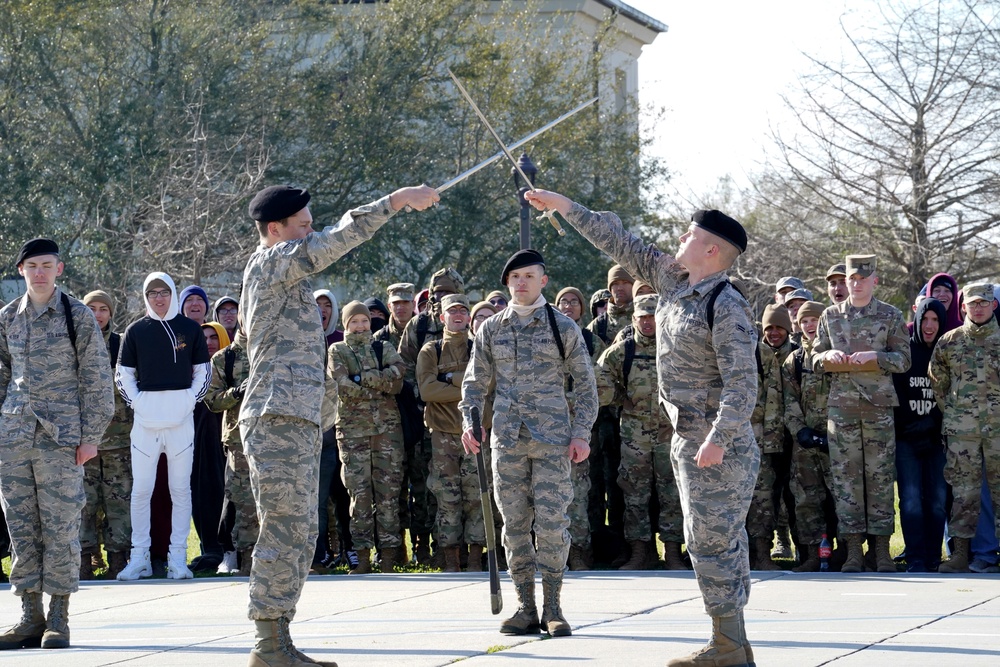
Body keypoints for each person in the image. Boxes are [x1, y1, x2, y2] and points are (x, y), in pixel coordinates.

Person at [525, 190, 760, 666]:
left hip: (717, 444)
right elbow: (618, 241)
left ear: (711, 249)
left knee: (713, 543)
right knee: (711, 541)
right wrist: (564, 207)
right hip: (688, 438)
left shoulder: (725, 304)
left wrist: (718, 438)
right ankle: (731, 643)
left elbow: (743, 382)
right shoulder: (673, 280)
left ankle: (729, 646)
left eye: (690, 234)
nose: (680, 238)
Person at [239, 182, 436, 666]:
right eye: (303, 227)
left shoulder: (288, 276)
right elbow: (337, 239)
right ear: (274, 229)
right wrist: (395, 201)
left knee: (301, 531)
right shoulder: (270, 263)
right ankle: (267, 643)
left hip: (298, 418)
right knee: (284, 529)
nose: (311, 233)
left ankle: (279, 638)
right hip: (276, 417)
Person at [460, 249, 597, 638]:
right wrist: (470, 423)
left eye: (529, 276)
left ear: (543, 281)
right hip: (507, 440)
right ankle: (525, 607)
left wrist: (581, 432)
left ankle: (553, 607)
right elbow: (474, 382)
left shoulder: (561, 326)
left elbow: (586, 384)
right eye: (515, 277)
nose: (521, 283)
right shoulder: (491, 328)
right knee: (515, 525)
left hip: (553, 441)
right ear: (507, 282)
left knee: (552, 524)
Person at [0, 239, 114, 651]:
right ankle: (30, 616)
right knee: (21, 528)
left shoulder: (76, 315)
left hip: (60, 439)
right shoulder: (7, 317)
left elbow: (97, 377)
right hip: (14, 438)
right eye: (32, 266)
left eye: (47, 265)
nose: (40, 273)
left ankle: (58, 618)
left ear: (59, 269)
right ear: (21, 271)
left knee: (61, 527)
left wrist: (91, 437)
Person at [812, 254, 911, 573]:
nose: (856, 284)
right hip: (841, 410)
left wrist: (876, 357)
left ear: (874, 281)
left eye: (862, 279)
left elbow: (904, 360)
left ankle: (881, 551)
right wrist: (827, 356)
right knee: (846, 481)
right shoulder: (829, 315)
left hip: (878, 409)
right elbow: (814, 357)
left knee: (880, 480)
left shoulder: (890, 315)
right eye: (852, 279)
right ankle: (853, 550)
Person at [115, 272, 212, 582]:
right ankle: (139, 558)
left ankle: (178, 559)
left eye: (164, 292)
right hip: (145, 423)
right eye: (153, 293)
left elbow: (203, 372)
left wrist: (187, 401)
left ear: (172, 293)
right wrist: (139, 404)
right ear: (146, 296)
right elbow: (123, 375)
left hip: (181, 422)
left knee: (180, 490)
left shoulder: (189, 329)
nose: (159, 298)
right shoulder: (135, 331)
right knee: (141, 490)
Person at [597, 293, 685, 571]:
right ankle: (639, 552)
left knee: (672, 493)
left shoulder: (676, 348)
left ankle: (672, 552)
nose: (648, 323)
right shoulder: (621, 352)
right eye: (642, 317)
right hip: (634, 435)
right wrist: (621, 398)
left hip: (670, 433)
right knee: (634, 493)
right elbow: (598, 384)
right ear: (633, 319)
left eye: (652, 317)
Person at [328, 301, 405, 574]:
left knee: (388, 496)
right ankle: (362, 557)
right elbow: (342, 385)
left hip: (387, 433)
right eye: (354, 322)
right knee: (359, 497)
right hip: (353, 434)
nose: (360, 326)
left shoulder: (383, 347)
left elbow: (398, 377)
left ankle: (388, 557)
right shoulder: (337, 350)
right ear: (346, 325)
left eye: (364, 321)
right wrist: (378, 383)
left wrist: (362, 378)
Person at [930, 283, 1000, 573]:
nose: (978, 308)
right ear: (963, 307)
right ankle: (960, 554)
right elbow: (938, 382)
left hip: (998, 430)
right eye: (972, 303)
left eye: (983, 302)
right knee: (964, 493)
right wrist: (955, 413)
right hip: (962, 432)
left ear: (993, 305)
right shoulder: (950, 341)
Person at [397, 267, 465, 565]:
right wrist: (425, 394)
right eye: (437, 292)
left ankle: (454, 549)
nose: (441, 297)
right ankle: (424, 548)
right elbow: (405, 367)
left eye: (447, 292)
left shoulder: (466, 324)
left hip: (459, 421)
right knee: (425, 485)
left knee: (457, 487)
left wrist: (446, 385)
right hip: (425, 416)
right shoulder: (419, 325)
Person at [417, 294, 484, 572]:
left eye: (462, 311)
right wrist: (468, 386)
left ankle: (476, 559)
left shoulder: (479, 348)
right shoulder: (430, 351)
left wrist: (448, 378)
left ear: (468, 317)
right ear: (442, 317)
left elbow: (488, 384)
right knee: (447, 497)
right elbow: (427, 390)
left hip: (476, 433)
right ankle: (451, 560)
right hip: (443, 434)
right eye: (451, 311)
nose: (457, 315)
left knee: (477, 496)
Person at [79, 290, 135, 580]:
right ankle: (84, 560)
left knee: (119, 502)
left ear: (111, 313)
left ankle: (118, 560)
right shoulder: (74, 343)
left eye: (103, 309)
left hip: (119, 440)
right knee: (83, 503)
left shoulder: (122, 345)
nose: (97, 314)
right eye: (91, 308)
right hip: (82, 442)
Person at [781, 301, 837, 572]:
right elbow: (788, 400)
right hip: (805, 445)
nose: (809, 325)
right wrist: (800, 430)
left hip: (837, 442)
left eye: (814, 320)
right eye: (804, 321)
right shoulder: (794, 360)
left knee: (842, 499)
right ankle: (813, 555)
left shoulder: (835, 354)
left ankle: (846, 552)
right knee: (806, 500)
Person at [892, 297, 947, 572]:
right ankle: (915, 558)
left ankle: (933, 558)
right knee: (911, 500)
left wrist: (932, 423)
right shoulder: (905, 350)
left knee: (937, 500)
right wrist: (909, 425)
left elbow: (951, 393)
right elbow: (895, 391)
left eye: (935, 320)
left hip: (938, 439)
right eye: (925, 319)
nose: (929, 325)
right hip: (907, 438)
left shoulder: (947, 352)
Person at [204, 314, 259, 577]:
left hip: (273, 438)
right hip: (238, 440)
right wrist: (236, 392)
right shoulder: (224, 358)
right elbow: (211, 400)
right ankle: (246, 558)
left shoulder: (271, 352)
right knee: (243, 502)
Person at [555, 286, 606, 570]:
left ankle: (578, 551)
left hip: (580, 429)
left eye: (574, 302)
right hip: (547, 427)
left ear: (582, 308)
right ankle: (551, 552)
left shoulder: (590, 341)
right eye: (563, 301)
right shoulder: (547, 336)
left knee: (578, 491)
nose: (568, 306)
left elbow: (601, 382)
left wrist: (573, 402)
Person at [748, 304, 797, 571]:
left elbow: (776, 400)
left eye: (779, 327)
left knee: (772, 496)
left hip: (775, 436)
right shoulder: (741, 352)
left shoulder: (771, 354)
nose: (774, 333)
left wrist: (772, 439)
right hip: (744, 438)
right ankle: (747, 553)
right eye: (769, 328)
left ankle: (770, 549)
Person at [188, 322, 230, 573]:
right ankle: (210, 547)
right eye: (203, 338)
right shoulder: (190, 370)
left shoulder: (231, 363)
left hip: (229, 442)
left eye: (214, 337)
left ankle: (230, 549)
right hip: (200, 443)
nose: (209, 342)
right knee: (203, 493)